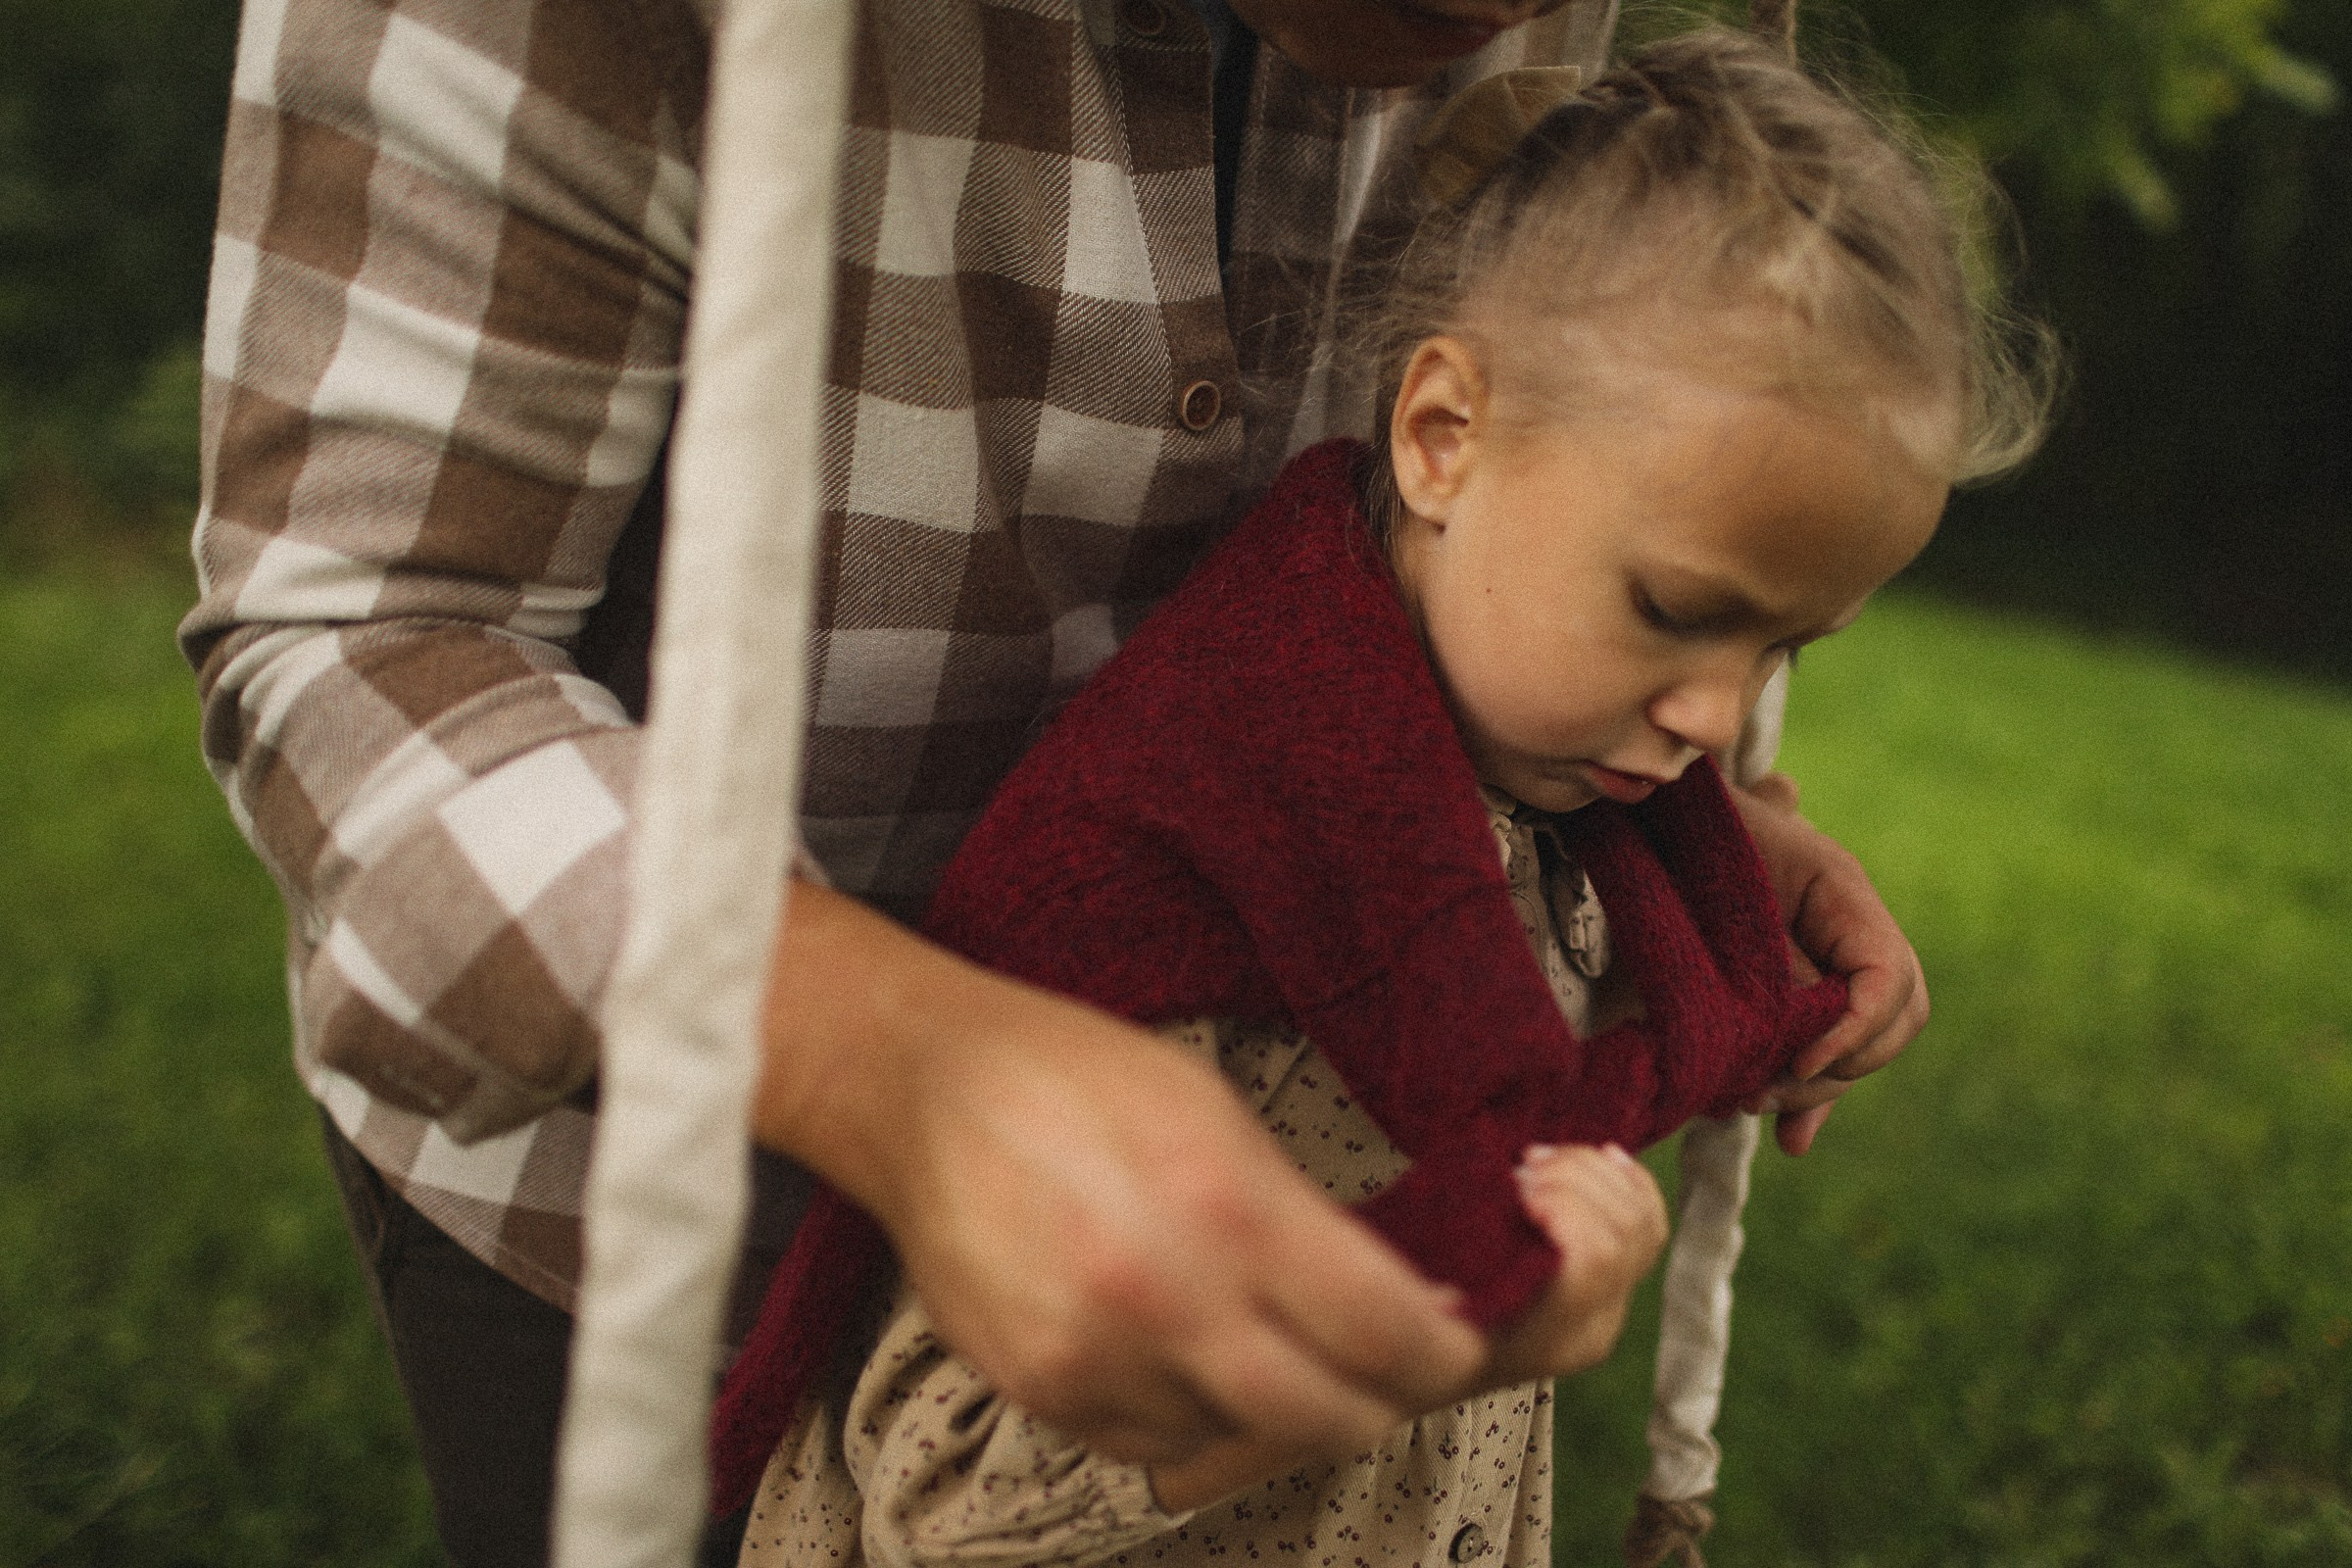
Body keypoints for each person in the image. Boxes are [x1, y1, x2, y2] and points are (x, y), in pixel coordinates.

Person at [179, 0, 1937, 1560]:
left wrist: (1662, 840)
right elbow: (365, 637)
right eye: (1681, 621)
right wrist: (887, 1058)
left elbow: (1531, 506)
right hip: (635, 1167)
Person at [719, 25, 2049, 1568]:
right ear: (1440, 438)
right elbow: (945, 1494)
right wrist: (1434, 1330)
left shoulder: (1533, 811)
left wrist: (1733, 920)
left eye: (1785, 649)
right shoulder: (1227, 895)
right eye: (1677, 611)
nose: (1714, 718)